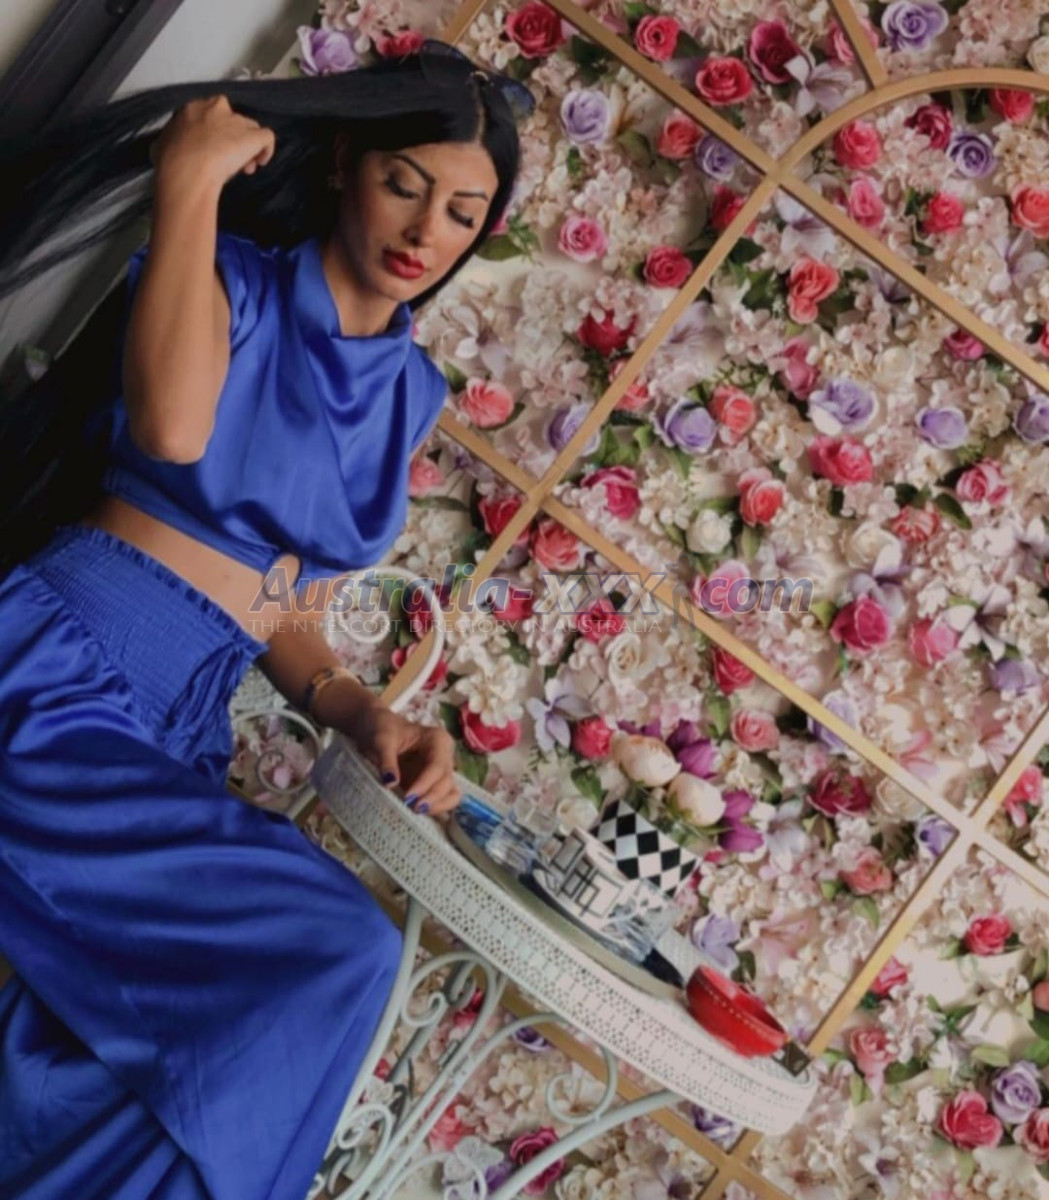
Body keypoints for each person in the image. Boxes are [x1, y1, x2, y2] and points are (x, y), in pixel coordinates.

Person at [0, 41, 526, 1200]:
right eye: (403, 184)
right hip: (57, 678)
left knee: (122, 1070)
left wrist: (359, 713)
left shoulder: (410, 391)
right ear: (343, 167)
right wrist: (187, 179)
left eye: (461, 212)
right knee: (336, 949)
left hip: (180, 723)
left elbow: (285, 600)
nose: (425, 231)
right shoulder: (227, 276)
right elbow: (173, 432)